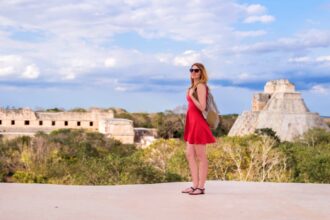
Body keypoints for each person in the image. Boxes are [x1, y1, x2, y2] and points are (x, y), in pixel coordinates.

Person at [181, 63, 216, 195]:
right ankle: (194, 185)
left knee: (201, 156)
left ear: (201, 73)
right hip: (191, 123)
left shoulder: (201, 86)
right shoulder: (192, 87)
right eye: (191, 70)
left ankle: (201, 187)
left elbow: (201, 107)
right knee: (190, 155)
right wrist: (190, 93)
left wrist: (191, 95)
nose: (193, 72)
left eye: (196, 70)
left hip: (198, 124)